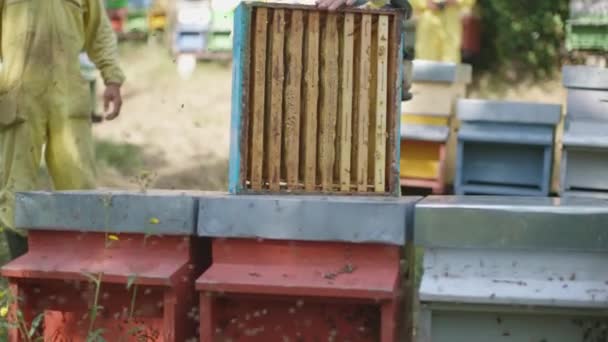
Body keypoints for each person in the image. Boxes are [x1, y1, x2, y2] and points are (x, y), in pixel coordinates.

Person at [0, 0, 125, 259]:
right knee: (15, 187)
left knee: (80, 186)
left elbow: (99, 30)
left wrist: (112, 78)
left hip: (69, 100)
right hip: (19, 97)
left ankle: (83, 273)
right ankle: (22, 276)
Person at [410, 0, 475, 63]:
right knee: (424, 58)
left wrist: (455, 1)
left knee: (450, 58)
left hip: (451, 18)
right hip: (428, 18)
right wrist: (425, 2)